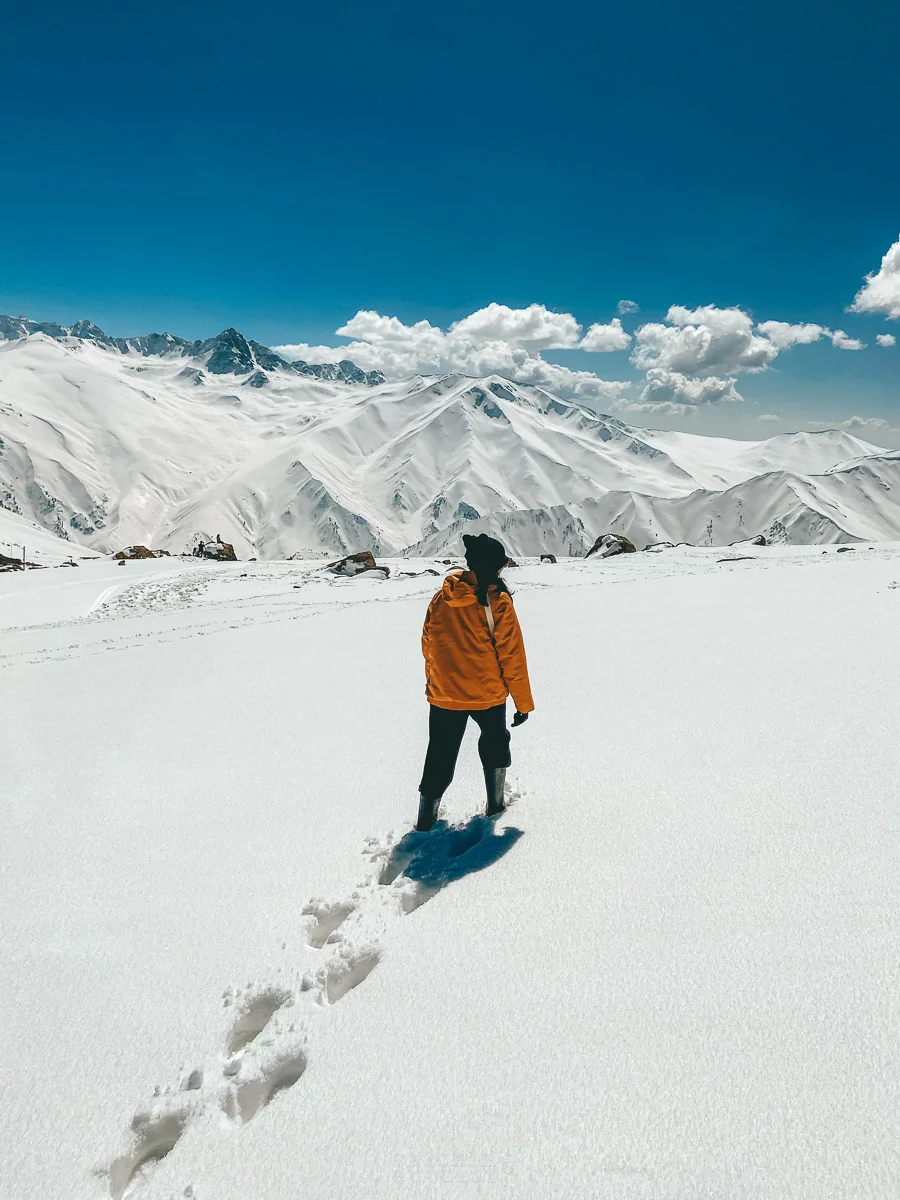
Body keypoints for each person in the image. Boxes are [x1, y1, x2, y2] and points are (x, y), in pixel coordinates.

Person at [416, 533, 534, 831]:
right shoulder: (498, 601)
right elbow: (512, 656)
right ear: (497, 567)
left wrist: (436, 681)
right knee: (495, 743)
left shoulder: (443, 596)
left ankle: (426, 820)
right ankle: (495, 805)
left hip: (445, 695)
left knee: (440, 753)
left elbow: (428, 641)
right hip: (487, 693)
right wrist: (523, 703)